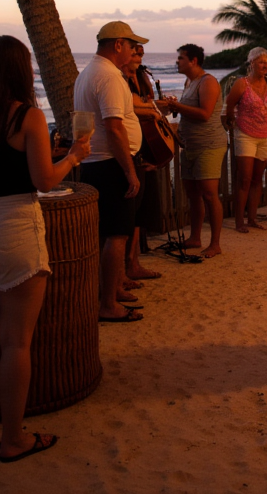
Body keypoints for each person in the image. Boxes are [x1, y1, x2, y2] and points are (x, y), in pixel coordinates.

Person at [0, 36, 90, 463]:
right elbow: (44, 180)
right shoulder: (26, 116)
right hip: (13, 225)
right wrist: (75, 155)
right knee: (16, 343)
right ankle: (12, 439)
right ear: (21, 71)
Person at [74, 21, 145, 322]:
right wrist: (129, 171)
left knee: (110, 233)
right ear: (118, 45)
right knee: (117, 234)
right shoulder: (110, 77)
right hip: (111, 163)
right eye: (131, 45)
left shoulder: (87, 73)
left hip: (96, 163)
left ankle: (114, 288)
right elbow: (114, 129)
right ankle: (107, 304)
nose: (134, 51)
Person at [162, 44, 227, 257]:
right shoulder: (189, 81)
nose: (177, 61)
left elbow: (205, 113)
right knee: (193, 195)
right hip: (189, 144)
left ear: (193, 61)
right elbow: (189, 113)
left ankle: (215, 244)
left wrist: (177, 107)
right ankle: (195, 237)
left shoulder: (208, 82)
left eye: (181, 58)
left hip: (209, 145)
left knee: (209, 194)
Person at [119, 44, 165, 287]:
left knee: (139, 214)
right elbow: (132, 107)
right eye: (135, 54)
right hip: (130, 153)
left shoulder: (141, 80)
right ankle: (124, 269)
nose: (139, 58)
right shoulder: (120, 81)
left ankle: (133, 263)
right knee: (127, 216)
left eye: (141, 55)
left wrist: (151, 108)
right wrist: (150, 109)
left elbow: (148, 106)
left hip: (144, 148)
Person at [224, 46, 267, 233]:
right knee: (245, 178)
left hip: (266, 135)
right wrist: (231, 121)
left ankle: (252, 218)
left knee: (258, 179)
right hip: (245, 134)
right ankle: (239, 221)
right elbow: (229, 105)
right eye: (261, 62)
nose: (265, 65)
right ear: (252, 63)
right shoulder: (242, 84)